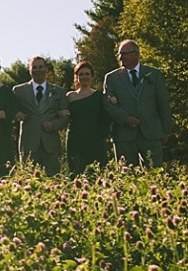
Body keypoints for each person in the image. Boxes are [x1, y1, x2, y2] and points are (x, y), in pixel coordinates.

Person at [103, 39, 172, 167]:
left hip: (151, 134)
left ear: (136, 54)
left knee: (155, 174)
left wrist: (166, 130)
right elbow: (109, 104)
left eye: (124, 54)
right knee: (127, 177)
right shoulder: (112, 78)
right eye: (119, 54)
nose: (121, 57)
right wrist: (125, 118)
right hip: (124, 136)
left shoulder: (154, 75)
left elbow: (163, 103)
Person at [12, 56, 69, 176]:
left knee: (54, 182)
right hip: (29, 144)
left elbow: (66, 117)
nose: (38, 70)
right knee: (28, 182)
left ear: (46, 69)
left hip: (50, 145)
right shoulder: (19, 91)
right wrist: (16, 114)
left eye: (41, 67)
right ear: (30, 69)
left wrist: (54, 125)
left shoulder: (58, 91)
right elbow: (11, 110)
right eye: (35, 67)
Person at [64, 61, 110, 174]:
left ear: (92, 76)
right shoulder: (70, 96)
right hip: (76, 139)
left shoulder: (100, 96)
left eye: (87, 74)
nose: (84, 77)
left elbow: (106, 116)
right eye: (81, 74)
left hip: (95, 139)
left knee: (98, 172)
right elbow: (61, 113)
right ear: (77, 77)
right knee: (77, 171)